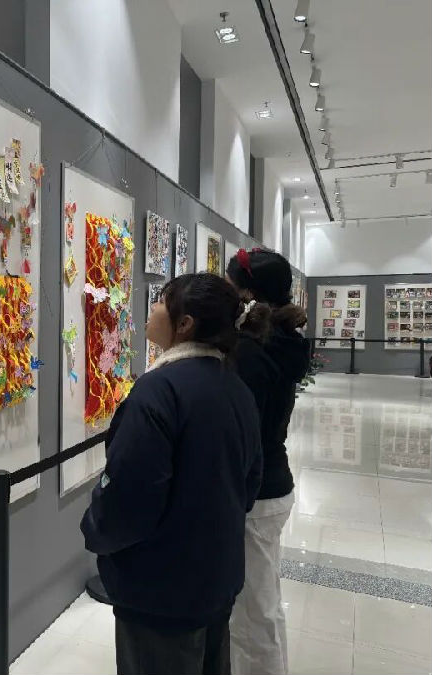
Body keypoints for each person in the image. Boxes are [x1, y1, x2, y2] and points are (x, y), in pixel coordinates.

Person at [81, 273, 263, 675]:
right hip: (216, 577)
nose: (153, 307)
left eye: (162, 300)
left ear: (185, 324)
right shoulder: (234, 386)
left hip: (160, 590)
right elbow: (249, 484)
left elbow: (128, 499)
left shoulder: (159, 391)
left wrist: (94, 528)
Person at [226, 249, 311, 675]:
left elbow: (243, 432)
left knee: (254, 610)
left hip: (256, 492)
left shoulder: (252, 352)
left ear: (246, 295)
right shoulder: (279, 343)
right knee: (262, 599)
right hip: (272, 483)